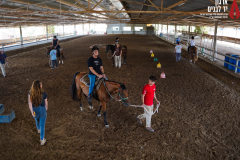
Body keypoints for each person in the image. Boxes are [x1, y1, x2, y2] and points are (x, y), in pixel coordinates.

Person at [28, 80, 48, 145]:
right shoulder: (43, 93)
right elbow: (46, 102)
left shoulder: (30, 93)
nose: (42, 86)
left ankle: (38, 129)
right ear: (39, 86)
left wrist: (32, 112)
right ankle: (42, 140)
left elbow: (30, 104)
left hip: (35, 110)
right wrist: (46, 107)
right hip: (42, 110)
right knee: (43, 125)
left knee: (36, 119)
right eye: (41, 85)